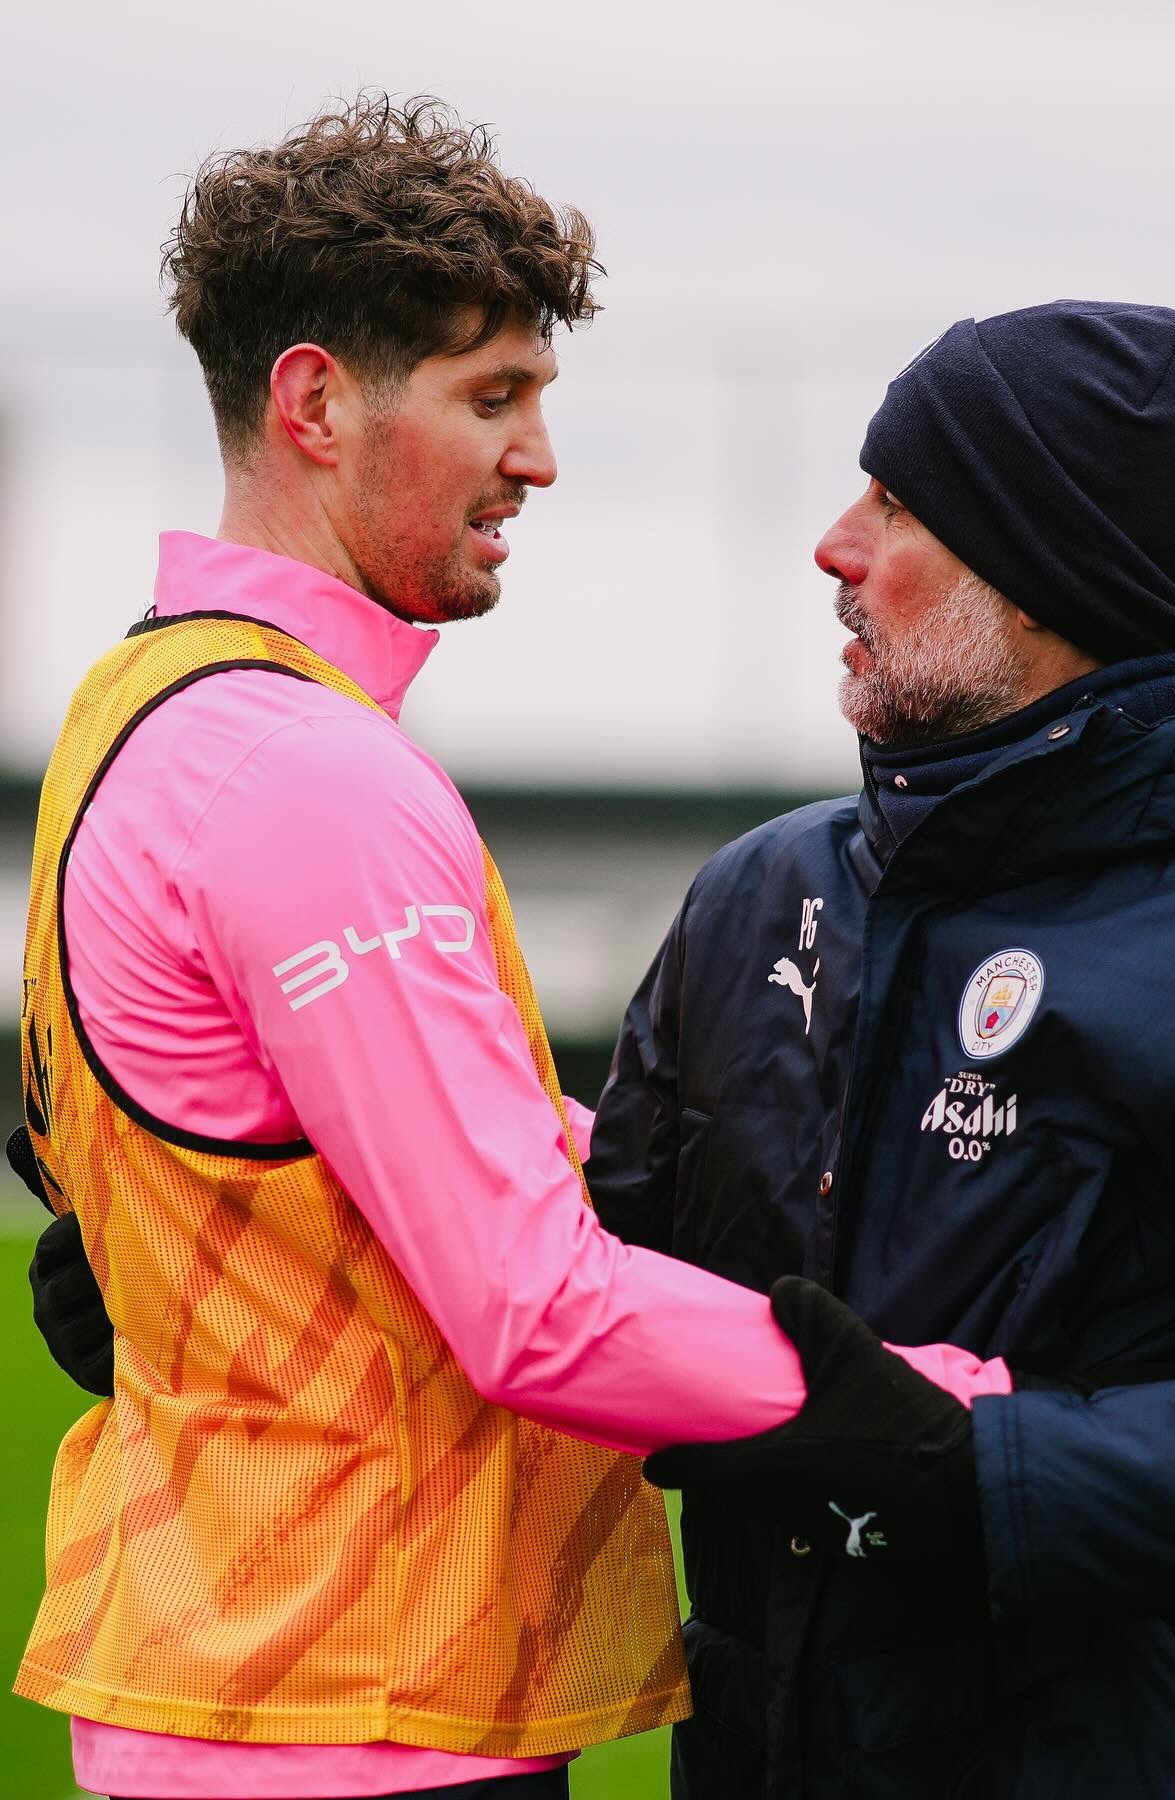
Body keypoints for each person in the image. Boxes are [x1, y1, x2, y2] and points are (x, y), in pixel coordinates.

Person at [10, 98, 1007, 1800]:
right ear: (314, 402)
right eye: (493, 398)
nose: (538, 457)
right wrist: (947, 1404)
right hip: (357, 1706)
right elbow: (534, 1306)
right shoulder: (306, 776)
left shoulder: (137, 703)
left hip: (238, 1680)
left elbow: (427, 1159)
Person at [583, 302, 1175, 1797]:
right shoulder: (762, 896)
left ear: (1046, 579)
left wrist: (984, 1478)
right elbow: (589, 1277)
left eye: (899, 505)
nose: (834, 545)